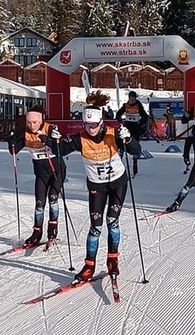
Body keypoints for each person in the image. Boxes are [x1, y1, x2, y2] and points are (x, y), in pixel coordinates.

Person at [56, 101, 142, 282]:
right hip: (97, 186)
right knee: (95, 227)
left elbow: (136, 151)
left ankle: (112, 260)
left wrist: (129, 139)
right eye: (87, 125)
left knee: (112, 221)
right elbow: (59, 150)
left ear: (101, 122)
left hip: (118, 182)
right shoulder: (80, 138)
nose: (91, 128)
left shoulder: (113, 134)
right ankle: (89, 265)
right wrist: (54, 138)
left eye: (94, 125)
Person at [8, 106, 65, 246]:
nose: (31, 125)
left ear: (41, 120)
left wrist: (50, 140)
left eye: (34, 122)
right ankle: (36, 233)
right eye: (28, 122)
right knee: (39, 204)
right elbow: (14, 151)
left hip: (57, 171)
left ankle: (52, 230)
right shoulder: (25, 133)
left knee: (53, 198)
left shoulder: (50, 129)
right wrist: (12, 142)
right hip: (41, 173)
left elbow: (62, 148)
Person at [118, 91, 150, 174]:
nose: (132, 100)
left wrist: (140, 123)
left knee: (135, 146)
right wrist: (119, 118)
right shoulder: (125, 105)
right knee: (122, 144)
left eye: (133, 98)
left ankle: (135, 164)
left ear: (135, 98)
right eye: (130, 98)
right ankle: (118, 164)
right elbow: (119, 113)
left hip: (136, 127)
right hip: (128, 126)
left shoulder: (138, 105)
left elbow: (145, 117)